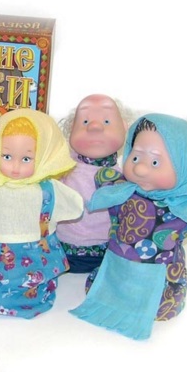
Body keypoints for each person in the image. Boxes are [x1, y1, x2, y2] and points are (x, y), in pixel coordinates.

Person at [70, 114, 187, 339]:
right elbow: (105, 176)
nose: (140, 169)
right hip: (116, 270)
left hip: (160, 280)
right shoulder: (122, 191)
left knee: (161, 303)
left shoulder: (183, 209)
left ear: (185, 167)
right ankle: (110, 290)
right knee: (100, 283)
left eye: (155, 162)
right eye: (136, 157)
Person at [0, 108, 84, 318]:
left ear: (45, 156)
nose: (15, 167)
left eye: (26, 158)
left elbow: (75, 206)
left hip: (37, 267)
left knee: (35, 285)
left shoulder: (51, 191)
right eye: (7, 156)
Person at [57, 94, 135, 273]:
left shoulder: (127, 173)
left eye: (106, 121)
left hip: (108, 253)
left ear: (124, 128)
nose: (94, 127)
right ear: (71, 129)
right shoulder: (63, 167)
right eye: (85, 122)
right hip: (62, 250)